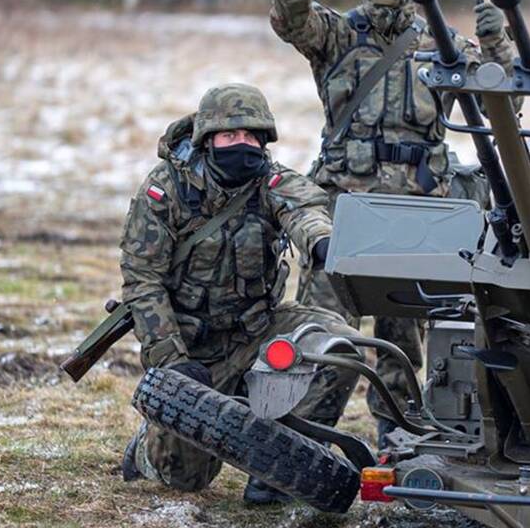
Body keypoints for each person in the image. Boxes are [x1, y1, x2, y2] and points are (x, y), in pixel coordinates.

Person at [270, 0, 512, 440]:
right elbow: (293, 23)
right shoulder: (336, 34)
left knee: (404, 342)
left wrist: (496, 40)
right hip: (343, 213)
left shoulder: (442, 44)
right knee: (325, 336)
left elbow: (502, 98)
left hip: (416, 215)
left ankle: (398, 437)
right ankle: (300, 440)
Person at [119, 83, 363, 505]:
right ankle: (146, 450)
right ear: (207, 139)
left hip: (257, 334)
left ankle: (280, 472)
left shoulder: (270, 180)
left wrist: (324, 243)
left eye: (251, 136)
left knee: (341, 349)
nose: (241, 144)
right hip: (194, 351)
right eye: (230, 135)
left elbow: (305, 210)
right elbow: (143, 281)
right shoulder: (165, 189)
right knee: (185, 477)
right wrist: (172, 361)